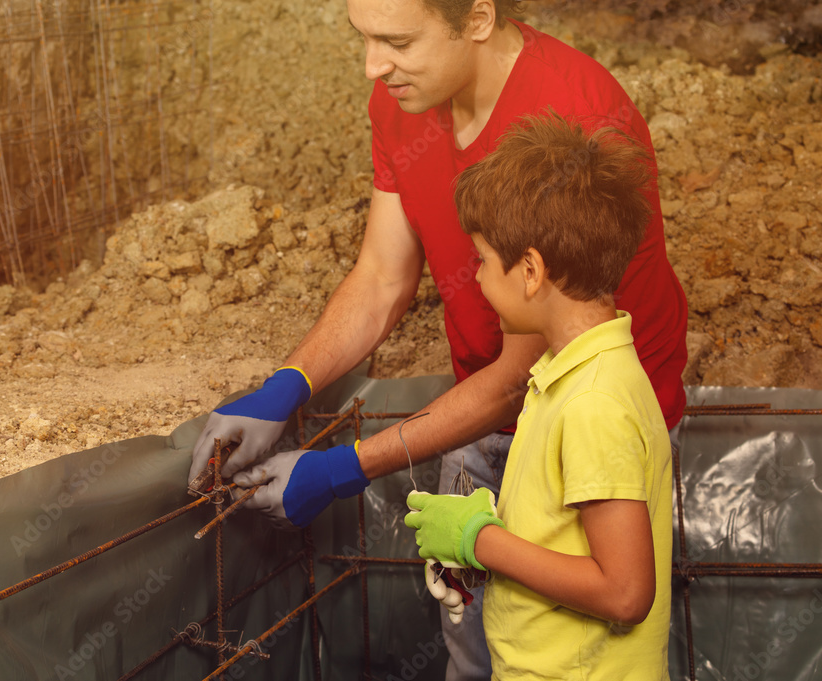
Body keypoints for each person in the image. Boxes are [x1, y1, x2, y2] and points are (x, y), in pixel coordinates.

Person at [189, 0, 687, 677]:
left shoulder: (574, 118)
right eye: (361, 38)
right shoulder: (402, 99)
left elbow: (521, 375)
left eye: (396, 41)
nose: (373, 67)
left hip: (578, 426)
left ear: (478, 17)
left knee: (571, 641)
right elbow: (382, 275)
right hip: (490, 404)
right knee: (482, 638)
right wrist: (286, 386)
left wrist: (344, 468)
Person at [405, 111, 672, 679]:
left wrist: (481, 540)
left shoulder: (593, 403)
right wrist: (484, 553)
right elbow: (570, 544)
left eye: (481, 260)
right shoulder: (568, 374)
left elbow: (625, 593)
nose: (475, 277)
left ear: (530, 270)